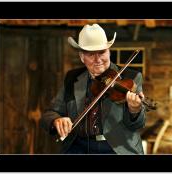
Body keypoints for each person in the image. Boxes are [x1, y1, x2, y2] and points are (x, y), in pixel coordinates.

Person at [40, 24, 146, 154]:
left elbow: (138, 124)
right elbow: (49, 114)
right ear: (82, 57)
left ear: (109, 51)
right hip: (80, 146)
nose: (98, 60)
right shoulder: (72, 78)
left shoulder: (131, 77)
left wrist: (135, 110)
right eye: (91, 54)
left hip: (116, 148)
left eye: (102, 52)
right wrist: (56, 120)